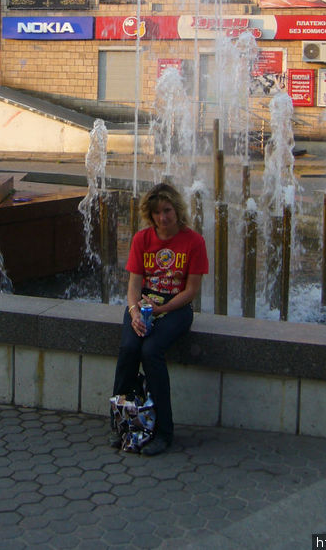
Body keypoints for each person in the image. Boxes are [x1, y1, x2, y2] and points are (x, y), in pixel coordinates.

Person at [111, 183, 209, 456]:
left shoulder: (194, 242)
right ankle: (122, 423)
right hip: (143, 305)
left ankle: (164, 432)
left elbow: (190, 291)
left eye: (167, 211)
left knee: (152, 351)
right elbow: (133, 285)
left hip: (176, 308)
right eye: (156, 213)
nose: (163, 218)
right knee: (129, 349)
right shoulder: (142, 239)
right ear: (150, 215)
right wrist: (135, 311)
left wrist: (158, 310)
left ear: (177, 210)